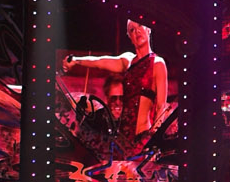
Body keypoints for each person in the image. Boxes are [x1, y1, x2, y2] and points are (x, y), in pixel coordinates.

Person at [62, 19, 169, 147]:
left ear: (148, 29)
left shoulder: (157, 63)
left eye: (140, 25)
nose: (137, 31)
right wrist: (76, 60)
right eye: (132, 30)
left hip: (143, 138)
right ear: (130, 37)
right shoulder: (128, 61)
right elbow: (101, 62)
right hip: (122, 139)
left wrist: (153, 140)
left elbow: (161, 106)